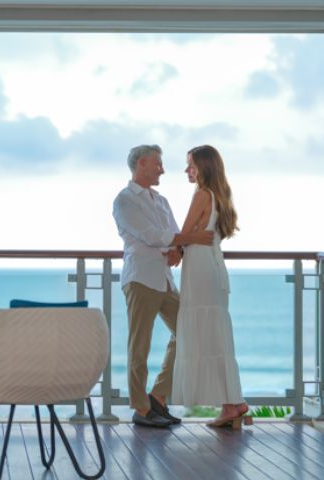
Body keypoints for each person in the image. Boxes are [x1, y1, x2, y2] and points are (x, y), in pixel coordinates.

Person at [112, 144, 214, 428]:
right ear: (142, 164)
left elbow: (173, 235)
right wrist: (189, 240)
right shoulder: (124, 200)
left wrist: (178, 249)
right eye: (158, 164)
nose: (163, 170)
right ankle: (141, 409)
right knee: (139, 347)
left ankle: (158, 396)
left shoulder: (161, 200)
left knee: (189, 330)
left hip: (165, 280)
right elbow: (151, 235)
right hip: (140, 279)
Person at [170, 144, 252, 429]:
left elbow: (182, 235)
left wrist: (181, 242)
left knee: (206, 335)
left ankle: (232, 405)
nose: (186, 170)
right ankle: (233, 403)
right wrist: (191, 238)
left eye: (190, 165)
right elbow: (193, 236)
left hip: (200, 269)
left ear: (203, 167)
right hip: (212, 267)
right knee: (215, 337)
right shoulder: (219, 196)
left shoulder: (203, 194)